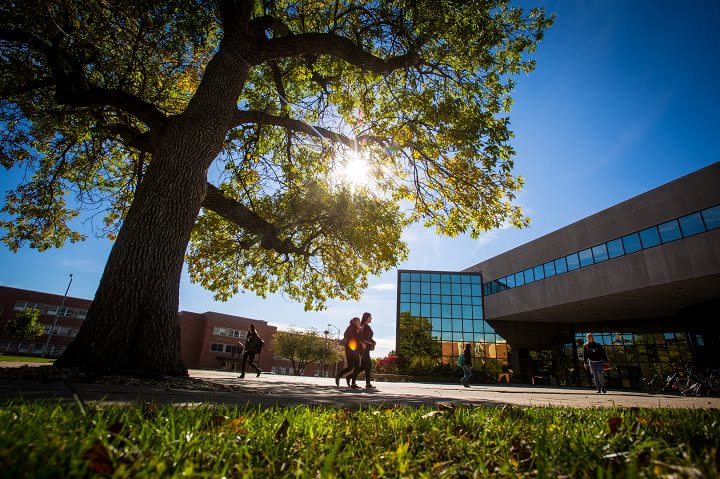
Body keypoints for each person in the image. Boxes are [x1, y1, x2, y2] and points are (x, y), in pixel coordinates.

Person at [351, 312, 377, 389]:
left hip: (367, 348)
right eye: (370, 317)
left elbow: (367, 337)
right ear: (366, 317)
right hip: (363, 348)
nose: (371, 318)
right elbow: (358, 336)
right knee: (368, 364)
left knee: (363, 366)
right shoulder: (362, 326)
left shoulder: (368, 327)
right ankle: (367, 383)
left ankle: (352, 379)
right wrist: (362, 343)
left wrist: (372, 341)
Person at [335, 317, 362, 389]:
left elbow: (358, 340)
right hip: (350, 350)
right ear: (354, 321)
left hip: (355, 350)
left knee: (353, 367)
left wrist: (358, 332)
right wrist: (356, 332)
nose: (359, 323)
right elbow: (346, 336)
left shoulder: (357, 329)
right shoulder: (350, 328)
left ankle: (348, 378)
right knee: (354, 367)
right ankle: (346, 378)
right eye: (358, 321)